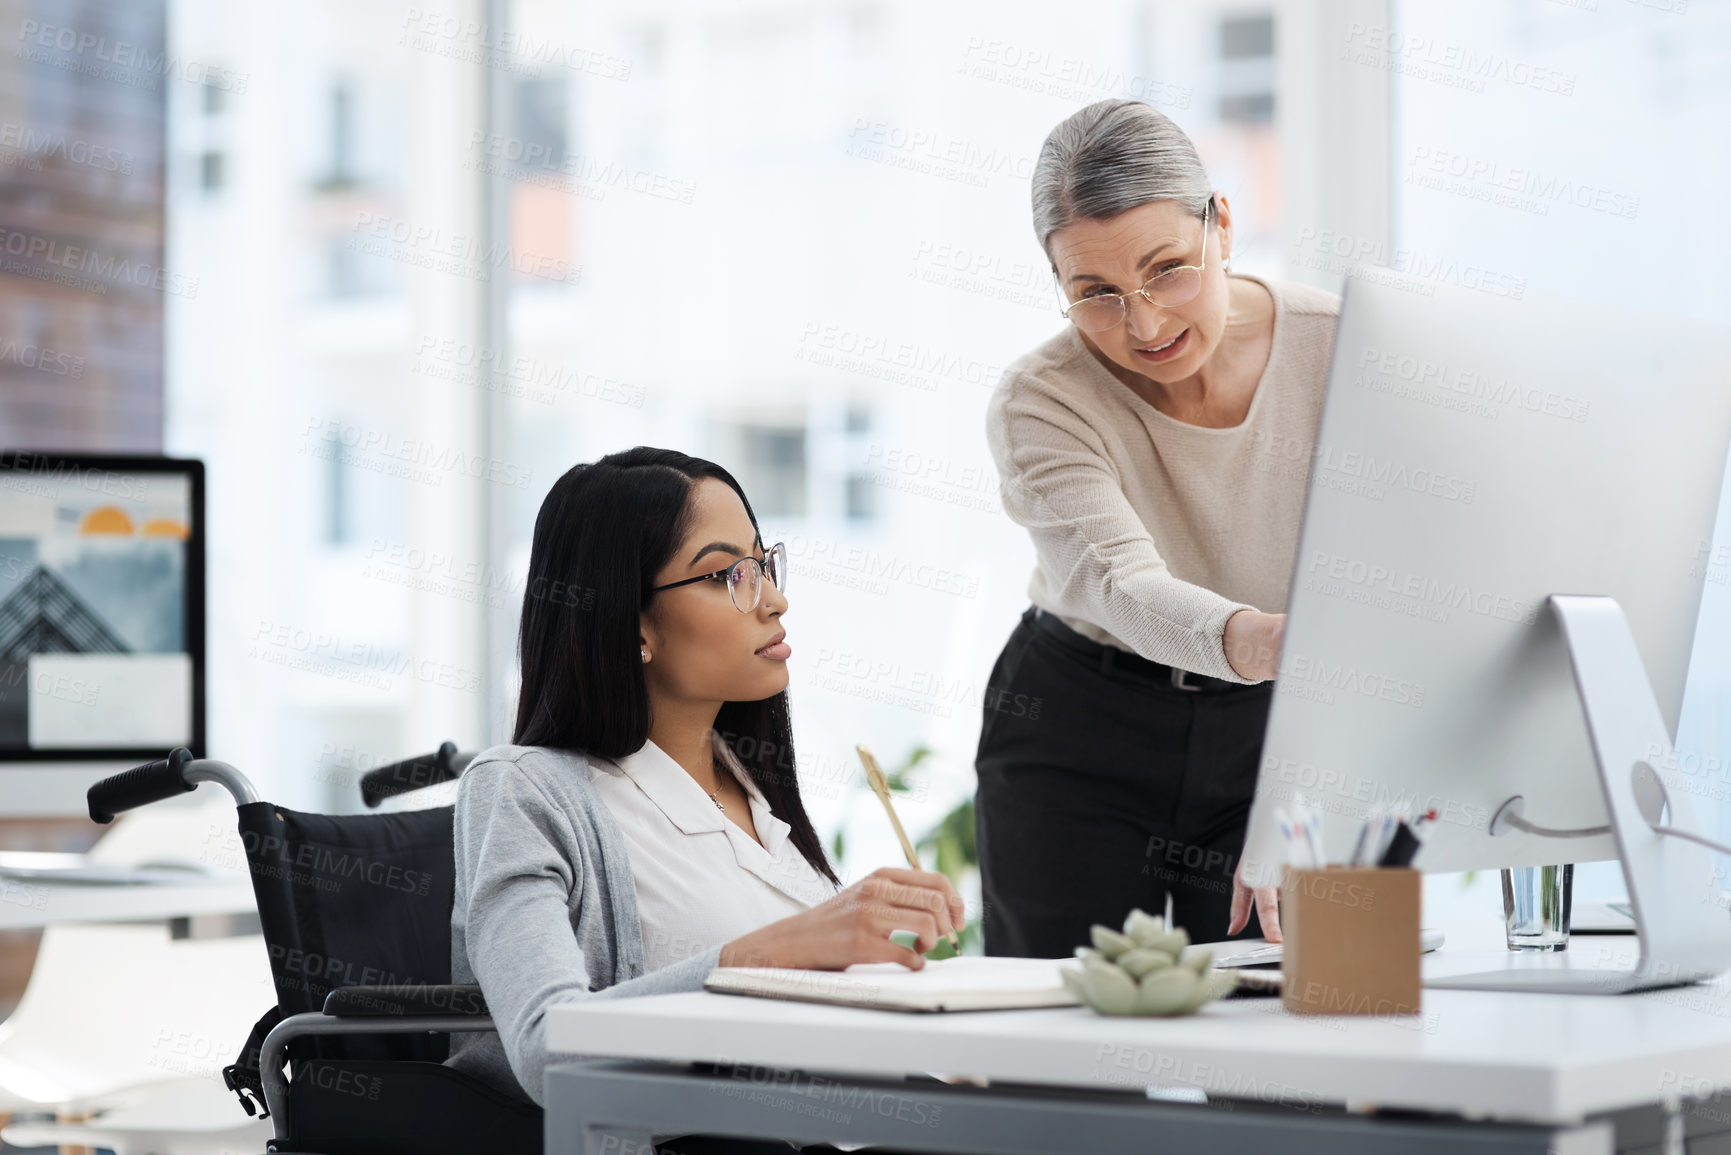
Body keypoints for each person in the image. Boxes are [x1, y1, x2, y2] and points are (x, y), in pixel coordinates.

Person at [446, 447, 964, 1146]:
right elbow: (547, 1047)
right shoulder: (524, 790)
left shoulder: (751, 785)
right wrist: (782, 949)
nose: (774, 599)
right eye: (730, 574)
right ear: (632, 623)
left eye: (765, 563)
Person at [975, 99, 1341, 960]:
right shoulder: (1041, 399)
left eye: (1167, 269)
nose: (1144, 325)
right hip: (1079, 725)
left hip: (1284, 723)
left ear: (1220, 222)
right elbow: (1116, 584)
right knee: (1062, 1060)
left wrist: (1318, 753)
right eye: (1094, 293)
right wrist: (1253, 640)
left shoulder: (1346, 351)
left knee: (1314, 1030)